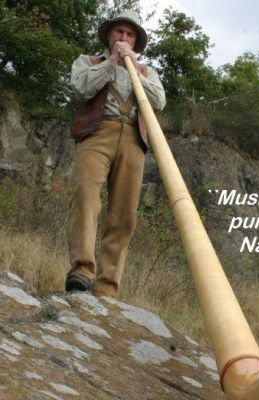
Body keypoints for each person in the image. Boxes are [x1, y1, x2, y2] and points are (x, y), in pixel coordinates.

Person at [65, 10, 166, 298]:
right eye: (119, 32)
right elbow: (81, 88)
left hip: (133, 139)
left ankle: (107, 285)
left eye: (130, 34)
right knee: (86, 196)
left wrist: (132, 66)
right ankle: (82, 271)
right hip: (97, 133)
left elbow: (159, 102)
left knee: (124, 214)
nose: (124, 38)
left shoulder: (146, 72)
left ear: (135, 41)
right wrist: (111, 62)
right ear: (109, 35)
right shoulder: (88, 62)